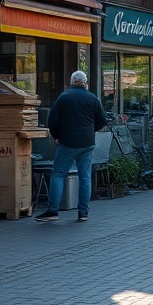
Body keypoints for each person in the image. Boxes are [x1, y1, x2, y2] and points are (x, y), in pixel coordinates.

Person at [36, 70, 108, 223]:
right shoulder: (92, 98)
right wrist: (90, 129)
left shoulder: (64, 97)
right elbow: (103, 120)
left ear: (71, 81)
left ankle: (53, 211)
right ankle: (83, 212)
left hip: (68, 142)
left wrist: (56, 136)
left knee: (58, 174)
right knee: (85, 176)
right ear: (85, 82)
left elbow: (53, 120)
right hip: (87, 143)